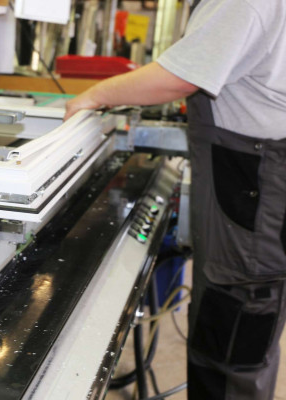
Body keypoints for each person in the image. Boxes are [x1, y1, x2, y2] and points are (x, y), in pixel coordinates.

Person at [65, 1, 286, 399]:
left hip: (252, 180)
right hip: (254, 174)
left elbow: (181, 76)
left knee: (232, 333)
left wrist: (95, 96)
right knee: (242, 329)